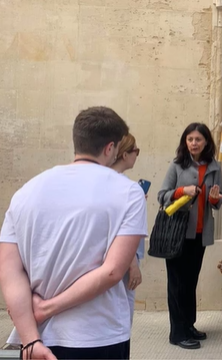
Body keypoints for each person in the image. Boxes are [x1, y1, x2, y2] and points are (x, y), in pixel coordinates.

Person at [0, 106, 147, 360]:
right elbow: (113, 271)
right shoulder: (129, 193)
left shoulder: (26, 191)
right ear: (110, 148)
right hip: (98, 334)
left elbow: (9, 270)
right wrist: (46, 308)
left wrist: (30, 339)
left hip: (39, 339)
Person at [158, 122, 222, 350]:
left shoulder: (214, 167)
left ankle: (188, 325)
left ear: (206, 142)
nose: (194, 143)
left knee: (190, 282)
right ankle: (177, 333)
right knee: (176, 284)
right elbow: (162, 195)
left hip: (199, 234)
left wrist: (215, 199)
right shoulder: (177, 165)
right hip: (177, 233)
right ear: (185, 142)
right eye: (190, 139)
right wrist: (181, 191)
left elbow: (217, 203)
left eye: (198, 139)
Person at [111, 133, 146, 325]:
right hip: (125, 258)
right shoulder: (129, 189)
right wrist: (133, 265)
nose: (136, 155)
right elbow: (124, 229)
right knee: (123, 316)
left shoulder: (110, 182)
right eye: (136, 151)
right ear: (124, 154)